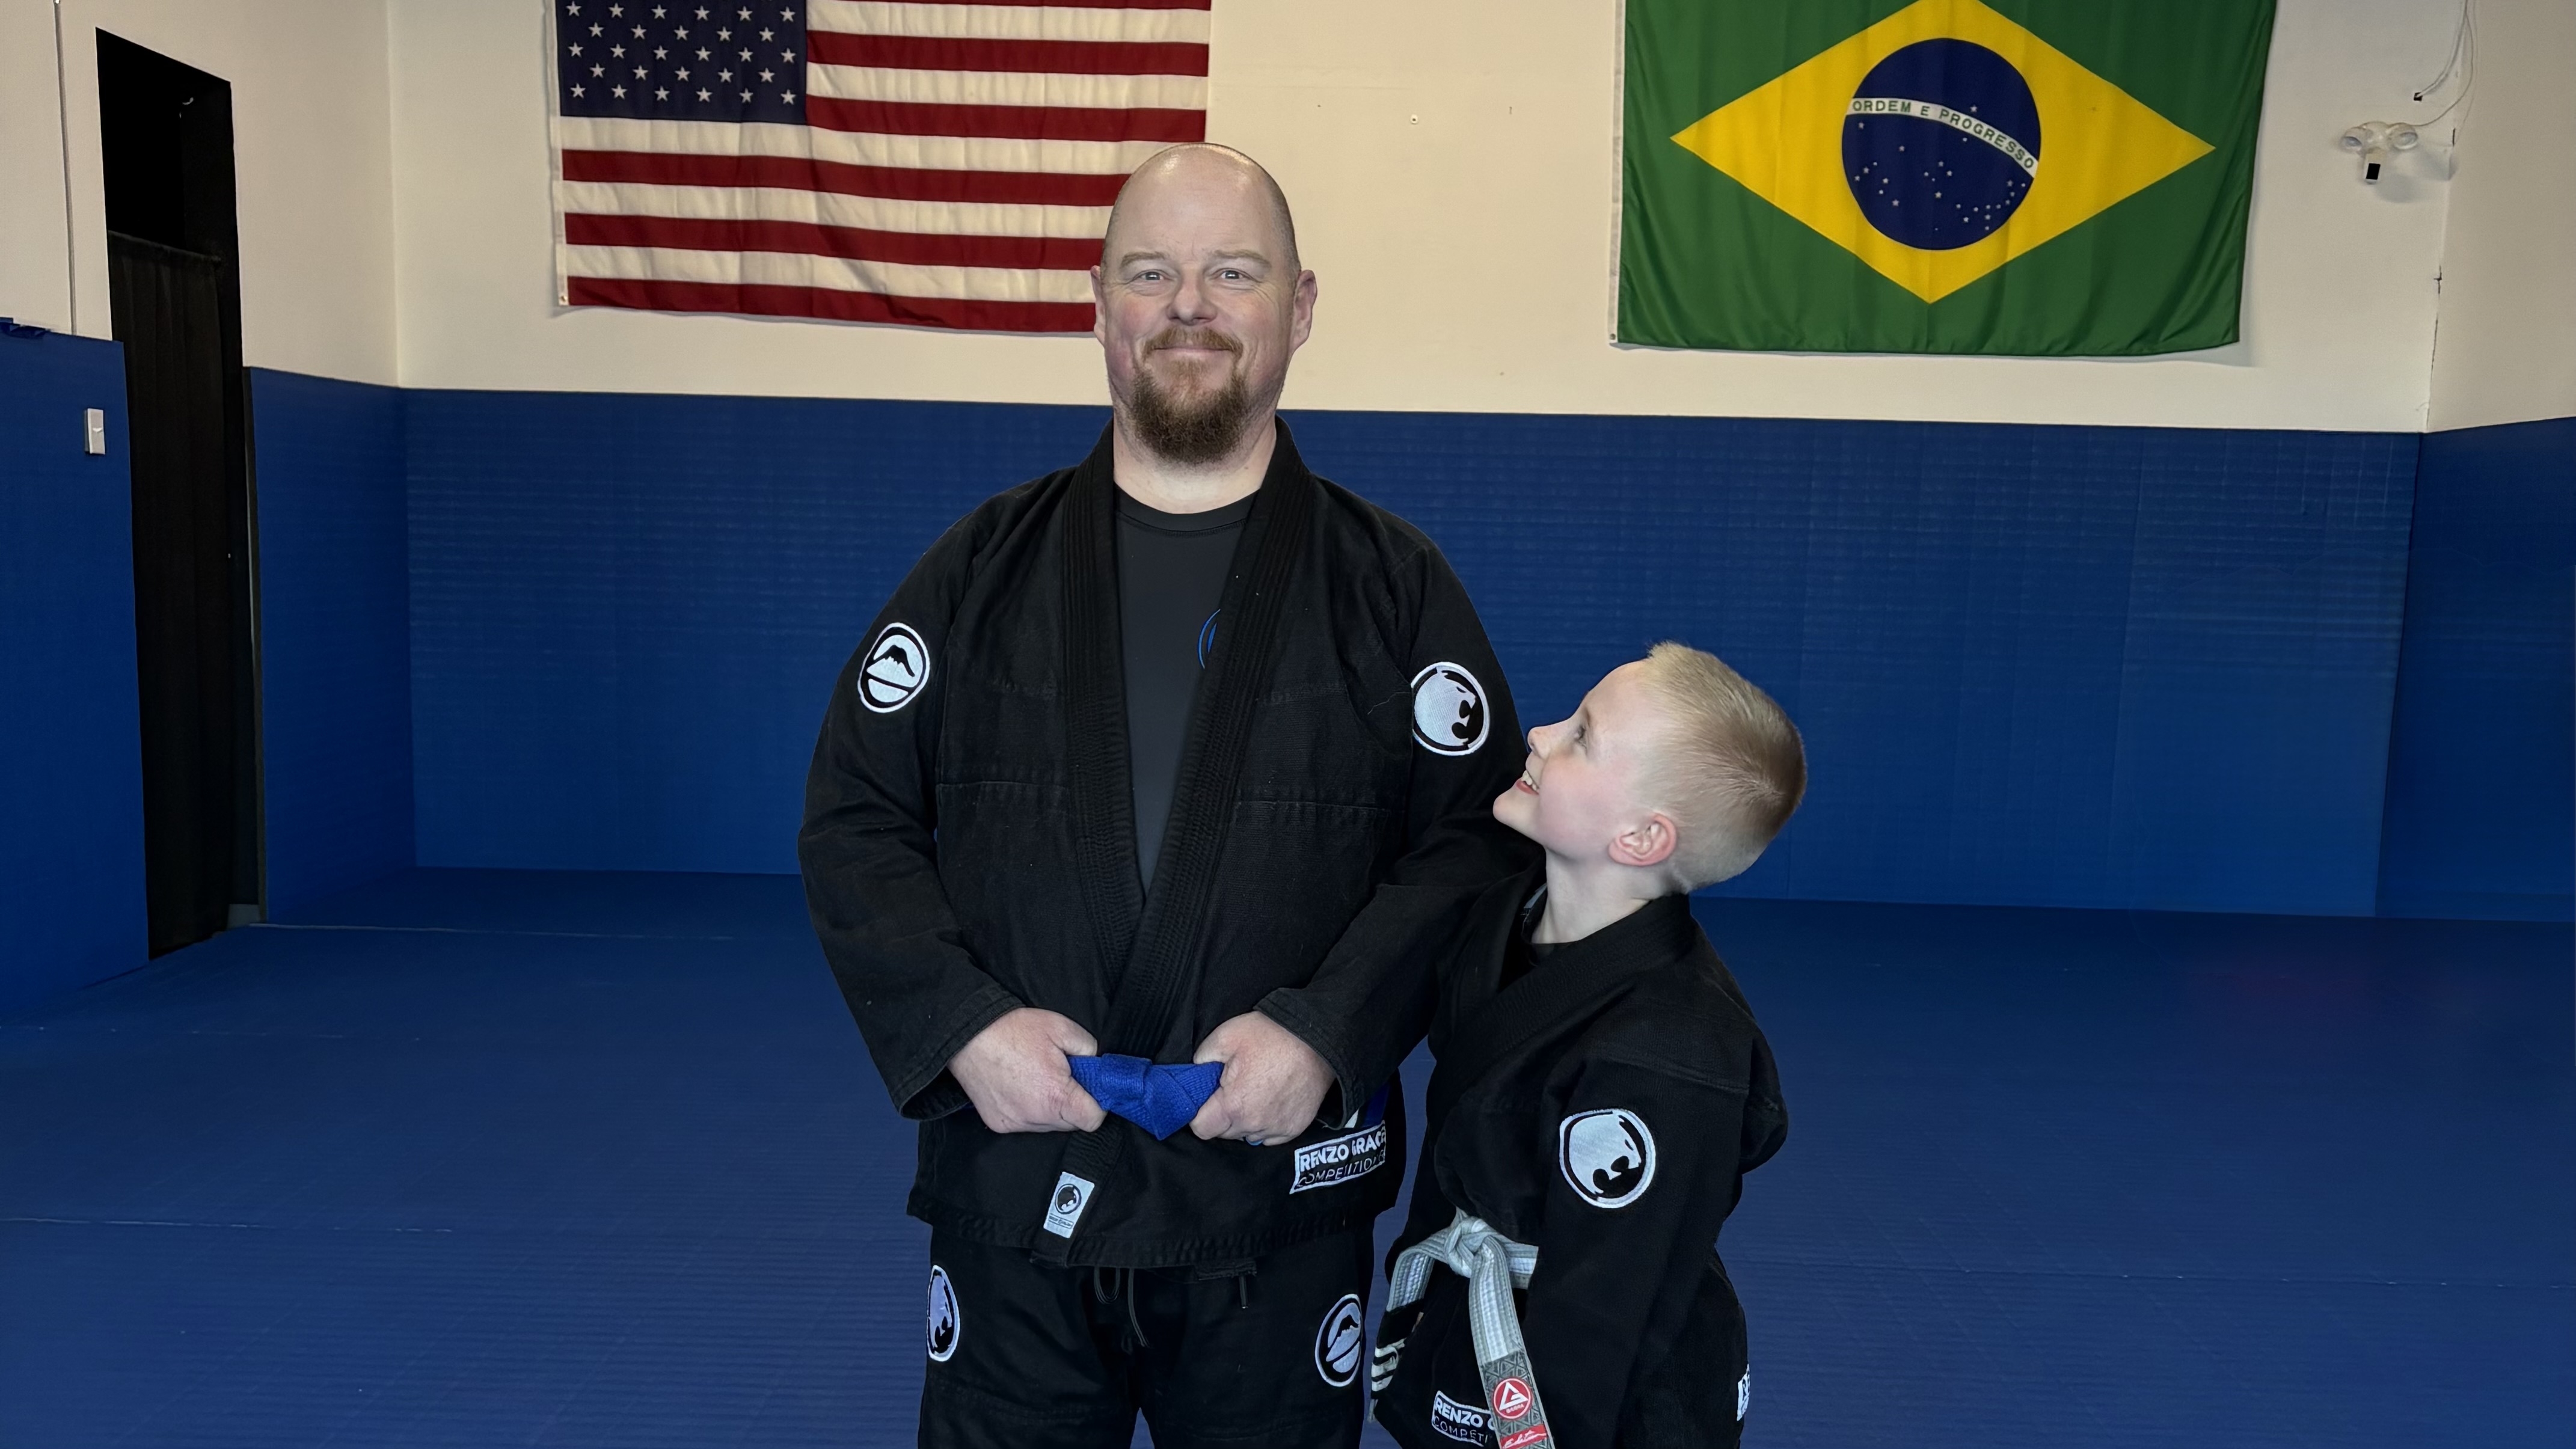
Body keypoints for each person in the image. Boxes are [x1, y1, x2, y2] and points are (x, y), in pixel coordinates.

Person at [797, 143, 1533, 1448]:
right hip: (1020, 1176)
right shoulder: (983, 567)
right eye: (1152, 273)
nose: (1190, 305)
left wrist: (1326, 1030)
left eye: (1232, 273)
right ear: (1099, 304)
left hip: (1277, 1196)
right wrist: (964, 1025)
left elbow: (1475, 842)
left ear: (1299, 307)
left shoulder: (1391, 586)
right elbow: (855, 814)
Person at [1369, 643, 1802, 1449]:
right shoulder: (1496, 927)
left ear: (1641, 838)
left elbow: (1612, 1304)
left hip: (1609, 1393)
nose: (1537, 732)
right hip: (1479, 1318)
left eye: (1581, 736)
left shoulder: (1669, 1056)